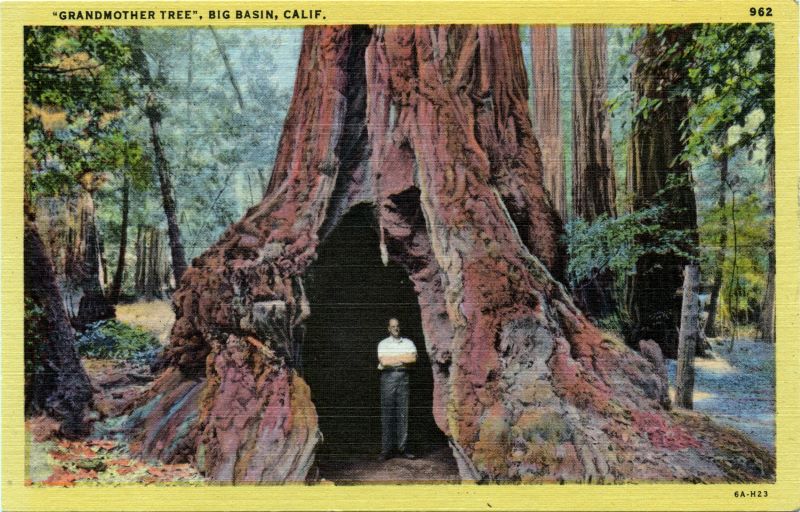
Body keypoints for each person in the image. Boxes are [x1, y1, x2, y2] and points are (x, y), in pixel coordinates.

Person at [377, 318, 417, 460]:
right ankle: (386, 450)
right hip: (387, 378)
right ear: (389, 328)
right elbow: (384, 361)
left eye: (398, 326)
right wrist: (402, 358)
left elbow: (412, 359)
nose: (396, 328)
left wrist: (393, 358)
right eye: (393, 326)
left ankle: (403, 448)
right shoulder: (383, 343)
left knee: (403, 413)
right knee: (387, 414)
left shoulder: (408, 342)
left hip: (403, 378)